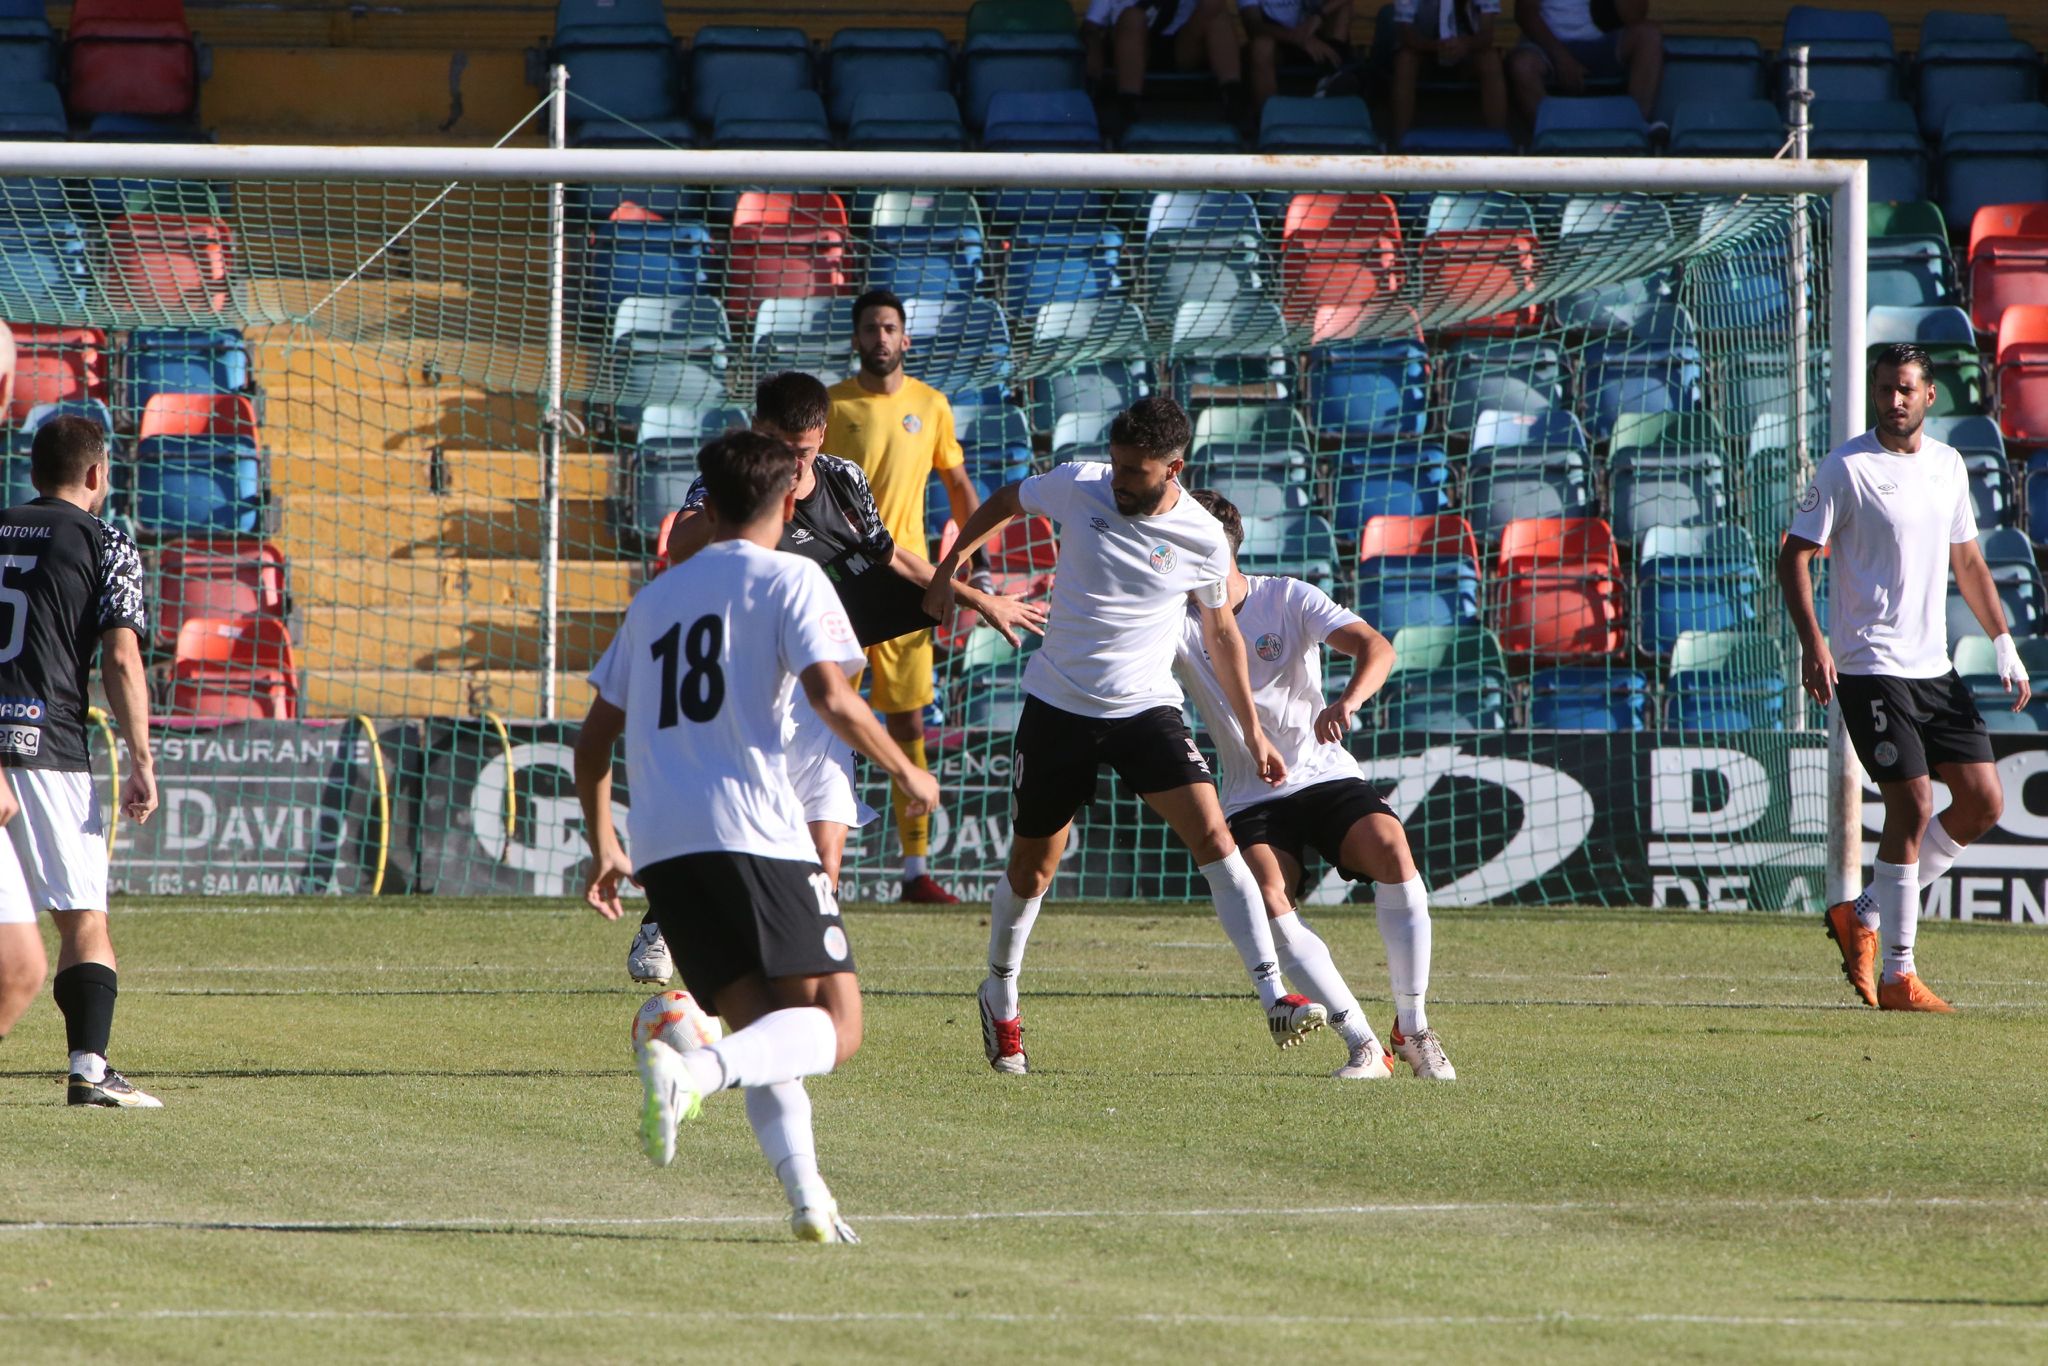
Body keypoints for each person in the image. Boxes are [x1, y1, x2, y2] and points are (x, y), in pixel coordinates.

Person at [575, 429, 942, 1245]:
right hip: (754, 830)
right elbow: (835, 698)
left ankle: (810, 1200)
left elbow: (592, 742)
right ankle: (692, 1071)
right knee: (836, 1026)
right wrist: (906, 772)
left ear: (707, 505)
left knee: (766, 1029)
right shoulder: (791, 578)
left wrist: (605, 844)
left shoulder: (655, 600)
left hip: (663, 846)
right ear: (784, 505)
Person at [925, 397, 1326, 1074]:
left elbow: (1221, 633)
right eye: (1116, 465)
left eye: (1134, 471)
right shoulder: (1080, 484)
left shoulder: (1202, 535)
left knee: (1215, 836)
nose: (1119, 480)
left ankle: (1273, 995)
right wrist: (951, 565)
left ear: (1174, 469)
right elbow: (1008, 500)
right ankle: (999, 990)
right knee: (1033, 870)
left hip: (1145, 710)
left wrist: (1253, 732)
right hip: (1058, 707)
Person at [625, 373, 1045, 985]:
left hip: (818, 675)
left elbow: (888, 556)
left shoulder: (844, 479)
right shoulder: (730, 483)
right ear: (759, 432)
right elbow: (682, 548)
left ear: (821, 435)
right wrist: (741, 506)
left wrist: (975, 597)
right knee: (732, 830)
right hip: (749, 683)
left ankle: (803, 974)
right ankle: (666, 917)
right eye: (781, 448)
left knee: (825, 850)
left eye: (803, 451)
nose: (794, 463)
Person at [1778, 343, 2029, 1014]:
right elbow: (1794, 555)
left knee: (1983, 803)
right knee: (1913, 805)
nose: (1894, 400)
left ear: (1929, 396)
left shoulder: (1948, 466)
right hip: (1870, 667)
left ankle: (1861, 912)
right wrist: (1813, 643)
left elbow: (1968, 561)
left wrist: (2003, 641)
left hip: (1934, 669)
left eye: (1905, 389)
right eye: (1885, 388)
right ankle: (1898, 976)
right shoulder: (1847, 468)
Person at [1174, 490, 1454, 1079]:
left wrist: (1348, 701)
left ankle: (1413, 1026)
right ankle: (1364, 1045)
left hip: (1324, 773)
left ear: (1225, 549)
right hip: (1251, 794)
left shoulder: (1287, 596)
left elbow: (1376, 647)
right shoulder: (1175, 622)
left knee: (1393, 850)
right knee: (1267, 895)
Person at [0, 415, 160, 1105]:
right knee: (82, 916)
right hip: (49, 750)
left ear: (34, 472)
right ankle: (90, 1071)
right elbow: (122, 659)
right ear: (96, 473)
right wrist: (142, 757)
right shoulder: (106, 541)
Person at [825, 289, 985, 905]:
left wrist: (975, 563)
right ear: (856, 338)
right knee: (822, 714)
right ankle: (816, 863)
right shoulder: (833, 404)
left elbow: (958, 484)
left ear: (905, 338)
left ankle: (914, 868)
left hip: (908, 580)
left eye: (889, 327)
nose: (881, 338)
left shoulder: (931, 404)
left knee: (909, 719)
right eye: (871, 328)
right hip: (838, 583)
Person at [1083, 0, 1250, 135]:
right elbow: (1091, 26)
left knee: (1216, 10)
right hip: (1129, 46)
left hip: (1180, 46)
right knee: (1132, 17)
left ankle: (1234, 101)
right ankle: (1127, 109)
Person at [1507, 0, 1662, 129]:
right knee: (1522, 65)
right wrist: (1561, 57)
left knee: (1649, 35)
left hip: (1598, 41)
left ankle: (1635, 129)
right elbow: (1524, 13)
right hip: (1547, 45)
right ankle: (1552, 138)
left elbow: (1635, 17)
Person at [1388, 0, 1506, 149]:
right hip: (1425, 51)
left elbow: (1486, 35)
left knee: (1490, 59)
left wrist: (1465, 45)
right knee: (1405, 60)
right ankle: (1400, 143)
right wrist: (1435, 47)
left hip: (1468, 53)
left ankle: (1498, 144)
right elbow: (1406, 34)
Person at [1240, 0, 1353, 114]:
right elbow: (1253, 25)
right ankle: (1270, 117)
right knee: (1261, 46)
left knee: (1342, 7)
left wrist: (1319, 15)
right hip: (1280, 42)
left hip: (1313, 34)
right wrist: (1297, 38)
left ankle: (1332, 75)